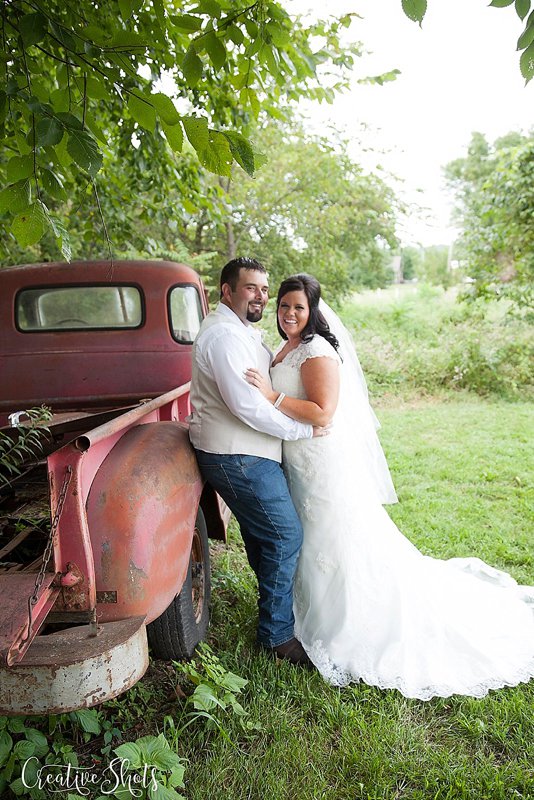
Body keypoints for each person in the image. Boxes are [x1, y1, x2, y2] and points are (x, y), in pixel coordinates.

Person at [244, 273, 534, 699]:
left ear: (313, 311)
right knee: (307, 539)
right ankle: (303, 615)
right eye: (284, 305)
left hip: (321, 463)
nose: (289, 313)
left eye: (298, 307)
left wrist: (272, 397)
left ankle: (345, 623)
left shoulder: (318, 350)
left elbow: (324, 413)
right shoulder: (286, 347)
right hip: (296, 460)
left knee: (334, 538)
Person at [189, 257, 325, 666]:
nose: (261, 296)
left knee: (265, 537)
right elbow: (248, 407)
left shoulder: (242, 331)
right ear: (227, 291)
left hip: (250, 452)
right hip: (238, 455)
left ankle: (276, 612)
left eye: (265, 290)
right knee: (285, 536)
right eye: (251, 288)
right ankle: (277, 636)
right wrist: (303, 430)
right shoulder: (224, 338)